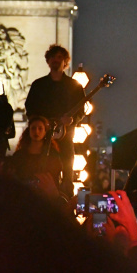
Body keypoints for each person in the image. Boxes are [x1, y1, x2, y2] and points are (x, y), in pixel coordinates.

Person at [25, 44, 86, 179]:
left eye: (59, 57)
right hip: (43, 136)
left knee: (67, 171)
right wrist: (42, 123)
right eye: (52, 57)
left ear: (65, 61)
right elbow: (30, 108)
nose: (55, 60)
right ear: (48, 61)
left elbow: (81, 110)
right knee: (42, 169)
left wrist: (72, 120)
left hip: (66, 135)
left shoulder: (75, 86)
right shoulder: (38, 85)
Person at [2, 115, 66, 199]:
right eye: (33, 128)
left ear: (45, 132)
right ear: (29, 131)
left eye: (40, 128)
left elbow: (56, 175)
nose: (36, 131)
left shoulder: (52, 154)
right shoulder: (20, 155)